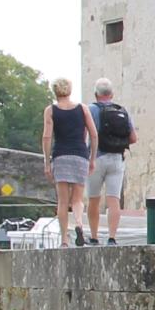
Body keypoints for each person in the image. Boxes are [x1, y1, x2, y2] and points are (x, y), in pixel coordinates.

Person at [41, 77, 95, 244]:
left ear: (55, 92)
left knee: (63, 201)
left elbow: (47, 136)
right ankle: (79, 223)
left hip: (61, 156)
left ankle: (64, 239)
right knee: (78, 199)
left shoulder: (50, 111)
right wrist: (92, 158)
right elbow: (94, 134)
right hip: (80, 155)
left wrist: (47, 161)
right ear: (70, 90)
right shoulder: (82, 109)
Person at [85, 78, 133, 244]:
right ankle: (112, 237)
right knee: (114, 200)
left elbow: (85, 134)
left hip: (96, 158)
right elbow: (133, 137)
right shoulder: (122, 111)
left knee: (94, 199)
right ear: (111, 94)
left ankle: (94, 236)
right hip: (117, 159)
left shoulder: (90, 109)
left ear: (95, 94)